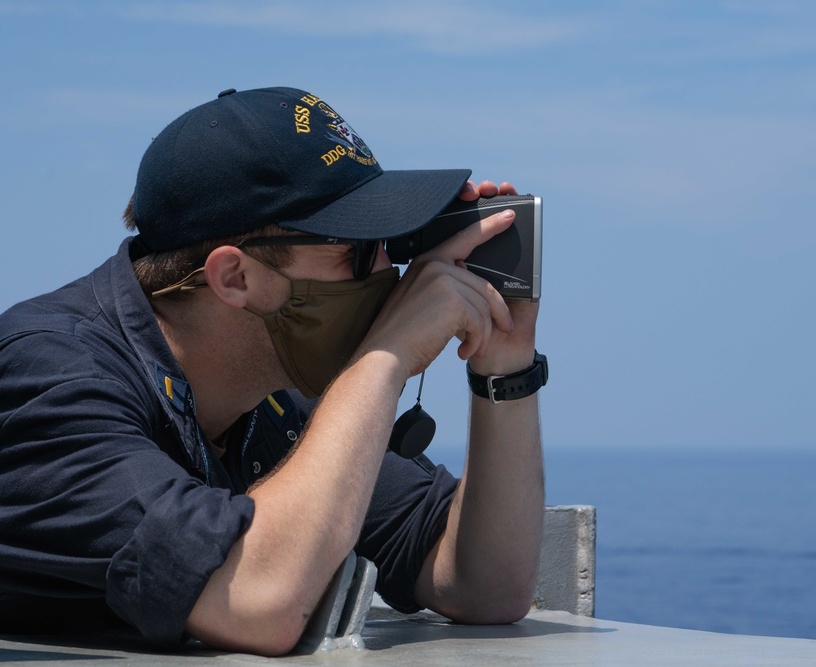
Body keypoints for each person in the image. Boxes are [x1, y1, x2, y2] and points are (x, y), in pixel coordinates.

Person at [0, 86, 546, 656]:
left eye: (388, 243)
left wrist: (504, 364)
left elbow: (485, 584)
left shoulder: (278, 395)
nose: (391, 273)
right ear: (235, 277)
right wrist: (387, 353)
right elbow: (259, 602)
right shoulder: (45, 378)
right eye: (357, 251)